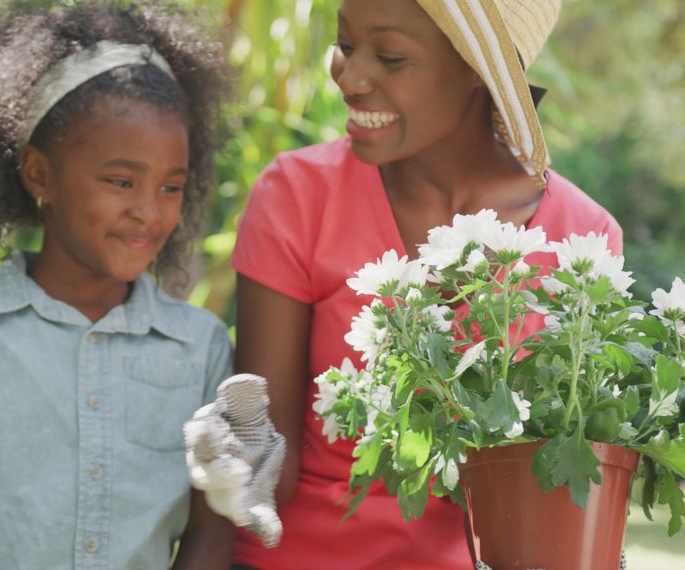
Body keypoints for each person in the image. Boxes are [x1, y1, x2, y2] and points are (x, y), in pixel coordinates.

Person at [231, 0, 623, 568]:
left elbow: (565, 491)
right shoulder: (297, 196)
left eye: (390, 57)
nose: (350, 78)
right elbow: (269, 467)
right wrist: (232, 453)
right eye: (345, 46)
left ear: (477, 70)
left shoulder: (583, 238)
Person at [0, 2, 236, 568]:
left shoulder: (203, 348)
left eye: (170, 187)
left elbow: (212, 534)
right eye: (120, 180)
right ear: (39, 173)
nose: (148, 211)